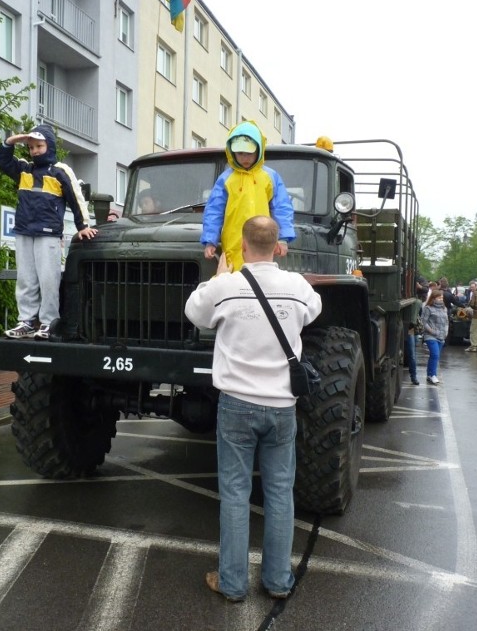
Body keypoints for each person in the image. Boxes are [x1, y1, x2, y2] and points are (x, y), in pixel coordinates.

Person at [184, 215, 321, 603]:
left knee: (235, 493)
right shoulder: (296, 286)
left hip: (237, 405)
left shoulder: (226, 287)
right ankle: (278, 580)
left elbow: (195, 313)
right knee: (280, 493)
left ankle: (232, 582)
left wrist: (217, 276)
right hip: (282, 406)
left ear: (243, 245)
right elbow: (314, 311)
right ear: (279, 247)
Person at [0, 124, 98, 339]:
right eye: (31, 147)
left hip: (48, 233)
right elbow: (3, 162)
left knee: (48, 279)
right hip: (24, 232)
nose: (34, 151)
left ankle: (48, 322)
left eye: (39, 146)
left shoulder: (60, 170)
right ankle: (26, 322)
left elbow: (75, 198)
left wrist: (83, 227)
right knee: (26, 280)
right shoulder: (24, 169)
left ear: (49, 145)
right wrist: (10, 142)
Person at [201, 121, 295, 271]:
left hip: (264, 242)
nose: (245, 158)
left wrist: (283, 238)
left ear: (258, 150)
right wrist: (210, 241)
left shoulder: (270, 177)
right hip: (234, 243)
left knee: (262, 277)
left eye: (249, 153)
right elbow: (214, 210)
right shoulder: (226, 179)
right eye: (240, 153)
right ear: (232, 152)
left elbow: (282, 207)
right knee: (233, 280)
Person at [420, 289, 449, 384]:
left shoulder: (444, 308)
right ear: (434, 298)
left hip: (441, 336)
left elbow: (446, 322)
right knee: (435, 354)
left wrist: (446, 332)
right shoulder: (428, 308)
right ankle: (433, 375)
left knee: (434, 356)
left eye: (442, 298)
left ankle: (429, 374)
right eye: (439, 297)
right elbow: (423, 322)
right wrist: (431, 331)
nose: (441, 299)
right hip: (430, 336)